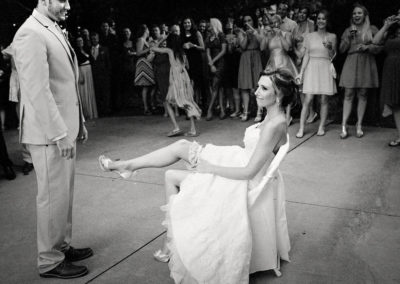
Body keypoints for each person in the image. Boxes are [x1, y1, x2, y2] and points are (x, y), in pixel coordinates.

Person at [98, 67, 294, 282]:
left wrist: (211, 168)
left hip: (243, 179)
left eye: (264, 88)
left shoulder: (275, 124)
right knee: (182, 146)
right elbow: (256, 153)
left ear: (280, 95)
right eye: (258, 85)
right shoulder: (272, 118)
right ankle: (128, 166)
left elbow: (249, 171)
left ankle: (169, 241)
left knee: (172, 174)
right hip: (237, 161)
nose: (256, 91)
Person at [13, 0, 92, 279]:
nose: (68, 5)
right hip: (48, 134)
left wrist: (78, 121)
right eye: (62, 0)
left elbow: (64, 83)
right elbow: (38, 90)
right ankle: (49, 260)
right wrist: (59, 133)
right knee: (51, 197)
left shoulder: (50, 27)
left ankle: (61, 246)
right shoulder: (30, 32)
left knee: (63, 196)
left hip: (62, 127)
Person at [339, 4, 380, 139]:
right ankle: (344, 126)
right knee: (349, 93)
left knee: (363, 94)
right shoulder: (348, 30)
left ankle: (359, 124)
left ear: (365, 15)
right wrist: (349, 38)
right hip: (351, 62)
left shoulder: (372, 29)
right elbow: (342, 50)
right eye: (354, 13)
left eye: (359, 13)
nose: (356, 15)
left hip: (366, 63)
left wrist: (368, 47)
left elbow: (380, 47)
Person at [296, 10, 337, 137]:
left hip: (325, 66)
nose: (321, 21)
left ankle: (321, 127)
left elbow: (333, 56)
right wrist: (301, 73)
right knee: (308, 99)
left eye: (324, 19)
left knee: (324, 99)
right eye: (319, 18)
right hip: (311, 67)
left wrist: (330, 48)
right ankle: (301, 128)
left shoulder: (332, 36)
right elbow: (306, 56)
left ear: (327, 21)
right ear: (316, 20)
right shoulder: (309, 36)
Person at [151, 34, 202, 137]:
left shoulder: (169, 51)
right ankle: (192, 129)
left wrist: (163, 38)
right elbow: (187, 65)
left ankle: (182, 128)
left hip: (176, 79)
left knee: (175, 102)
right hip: (184, 77)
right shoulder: (182, 53)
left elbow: (153, 48)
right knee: (186, 101)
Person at [262, 15, 298, 125]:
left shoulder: (287, 34)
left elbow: (288, 48)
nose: (275, 25)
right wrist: (265, 35)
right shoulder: (269, 35)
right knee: (273, 90)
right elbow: (262, 48)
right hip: (272, 63)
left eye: (277, 22)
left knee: (285, 89)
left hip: (284, 62)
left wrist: (280, 35)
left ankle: (288, 116)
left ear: (280, 23)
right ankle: (274, 114)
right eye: (272, 23)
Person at [373, 11, 400, 146]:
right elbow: (375, 41)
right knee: (395, 104)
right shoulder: (391, 31)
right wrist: (386, 26)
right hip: (391, 69)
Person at [237, 14, 263, 122]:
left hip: (256, 56)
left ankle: (259, 111)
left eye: (249, 20)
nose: (247, 22)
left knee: (259, 85)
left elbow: (262, 43)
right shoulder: (241, 32)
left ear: (253, 21)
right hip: (245, 57)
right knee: (245, 86)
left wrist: (254, 32)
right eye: (245, 21)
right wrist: (247, 36)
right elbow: (242, 46)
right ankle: (246, 111)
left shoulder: (258, 30)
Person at [205, 18, 227, 120]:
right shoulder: (209, 37)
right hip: (212, 63)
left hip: (220, 63)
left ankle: (210, 109)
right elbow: (208, 53)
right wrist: (211, 64)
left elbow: (223, 51)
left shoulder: (221, 35)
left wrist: (213, 62)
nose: (208, 25)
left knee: (215, 86)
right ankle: (222, 110)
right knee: (219, 87)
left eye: (210, 23)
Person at [134, 24, 156, 115]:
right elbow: (138, 53)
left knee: (150, 85)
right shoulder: (141, 39)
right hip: (143, 63)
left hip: (147, 63)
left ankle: (149, 105)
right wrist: (149, 49)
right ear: (145, 30)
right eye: (147, 29)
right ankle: (146, 108)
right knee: (145, 86)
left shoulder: (145, 40)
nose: (149, 31)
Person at [76, 36, 98, 120]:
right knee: (84, 91)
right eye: (78, 41)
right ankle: (86, 113)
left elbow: (92, 59)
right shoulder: (76, 52)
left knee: (90, 90)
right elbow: (77, 64)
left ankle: (92, 112)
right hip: (82, 70)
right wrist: (80, 75)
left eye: (81, 40)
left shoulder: (87, 49)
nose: (80, 42)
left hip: (89, 70)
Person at [91, 32, 112, 116]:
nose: (94, 40)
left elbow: (108, 63)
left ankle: (106, 110)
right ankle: (99, 111)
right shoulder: (89, 49)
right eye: (93, 39)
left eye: (95, 38)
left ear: (98, 39)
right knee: (97, 94)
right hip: (94, 75)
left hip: (104, 75)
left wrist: (108, 74)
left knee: (105, 93)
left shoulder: (104, 49)